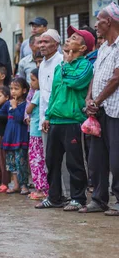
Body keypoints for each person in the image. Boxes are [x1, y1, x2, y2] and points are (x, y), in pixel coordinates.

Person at [36, 26, 94, 211]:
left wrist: (67, 65)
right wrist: (48, 115)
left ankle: (78, 198)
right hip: (55, 121)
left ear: (83, 47)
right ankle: (54, 197)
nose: (68, 39)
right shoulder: (60, 67)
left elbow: (76, 82)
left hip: (73, 121)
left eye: (74, 37)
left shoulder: (85, 65)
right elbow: (54, 93)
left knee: (74, 161)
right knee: (51, 161)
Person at [82, 2, 119, 215]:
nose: (96, 24)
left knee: (116, 159)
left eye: (99, 20)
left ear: (109, 21)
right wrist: (90, 99)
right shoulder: (103, 47)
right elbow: (95, 76)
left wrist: (98, 100)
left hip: (115, 110)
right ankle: (98, 199)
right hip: (99, 110)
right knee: (96, 159)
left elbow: (116, 78)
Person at [2, 77, 30, 195]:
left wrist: (14, 107)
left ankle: (24, 185)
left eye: (16, 89)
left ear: (24, 90)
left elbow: (20, 119)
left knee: (21, 162)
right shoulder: (8, 103)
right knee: (11, 163)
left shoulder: (26, 105)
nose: (13, 91)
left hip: (20, 138)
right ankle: (16, 184)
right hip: (9, 138)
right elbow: (1, 115)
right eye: (11, 89)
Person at [26, 68, 48, 200]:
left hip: (35, 133)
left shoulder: (38, 93)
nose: (31, 83)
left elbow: (29, 109)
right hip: (40, 131)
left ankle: (41, 189)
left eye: (33, 80)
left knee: (36, 161)